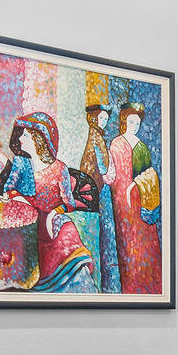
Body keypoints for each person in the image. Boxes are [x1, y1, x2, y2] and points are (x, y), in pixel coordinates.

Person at [7, 113, 97, 293]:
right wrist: (21, 199)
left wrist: (53, 214)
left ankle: (75, 283)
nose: (21, 138)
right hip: (27, 218)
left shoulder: (60, 168)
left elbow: (69, 203)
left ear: (38, 139)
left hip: (51, 218)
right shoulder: (21, 163)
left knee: (67, 230)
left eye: (26, 135)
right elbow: (9, 188)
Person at [107, 102, 163, 294]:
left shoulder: (142, 147)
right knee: (127, 244)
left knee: (144, 244)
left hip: (140, 200)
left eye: (137, 122)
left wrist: (135, 184)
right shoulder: (116, 143)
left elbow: (149, 174)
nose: (134, 125)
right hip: (122, 202)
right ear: (124, 120)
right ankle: (130, 287)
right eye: (131, 121)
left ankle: (150, 286)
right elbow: (111, 176)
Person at [79, 102, 119, 293]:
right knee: (105, 232)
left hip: (92, 189)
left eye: (106, 119)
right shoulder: (97, 139)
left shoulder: (92, 137)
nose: (104, 122)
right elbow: (103, 169)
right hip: (99, 190)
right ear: (93, 118)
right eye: (101, 118)